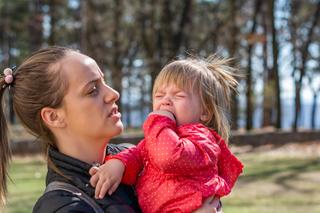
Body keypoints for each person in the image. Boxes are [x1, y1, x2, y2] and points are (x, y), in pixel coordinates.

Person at [0, 46, 221, 213]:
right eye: (92, 90)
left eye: (104, 82)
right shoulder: (63, 207)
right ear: (53, 116)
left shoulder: (137, 161)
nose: (113, 93)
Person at [90, 56, 244, 213]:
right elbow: (137, 154)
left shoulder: (202, 139)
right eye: (159, 95)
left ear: (205, 112)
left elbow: (169, 157)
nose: (166, 101)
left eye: (179, 95)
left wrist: (159, 120)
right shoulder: (161, 137)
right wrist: (119, 164)